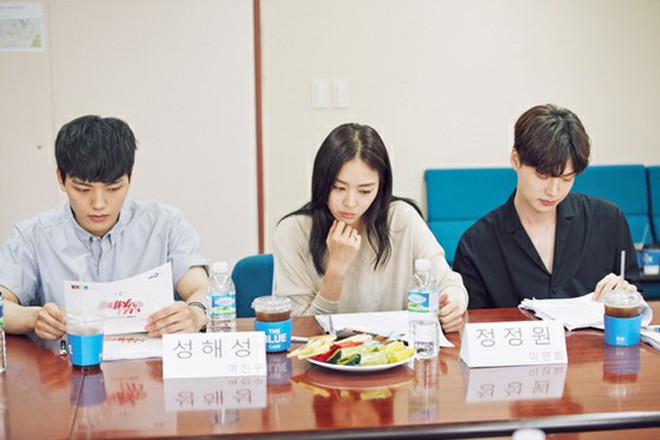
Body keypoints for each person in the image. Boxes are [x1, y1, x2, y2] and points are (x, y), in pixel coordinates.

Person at [0, 115, 209, 341]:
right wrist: (33, 318)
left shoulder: (165, 225)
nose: (99, 204)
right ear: (61, 178)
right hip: (63, 362)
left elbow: (203, 289)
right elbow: (3, 303)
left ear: (129, 177)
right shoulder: (32, 236)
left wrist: (195, 313)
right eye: (83, 190)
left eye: (113, 188)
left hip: (152, 361)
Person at [272, 123, 468, 332]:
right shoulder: (292, 232)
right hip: (325, 351)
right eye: (338, 188)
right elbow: (300, 328)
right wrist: (335, 271)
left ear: (381, 186)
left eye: (365, 191)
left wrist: (452, 305)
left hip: (396, 349)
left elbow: (450, 283)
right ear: (321, 182)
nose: (350, 202)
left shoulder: (401, 218)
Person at [453, 104, 640, 309]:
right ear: (516, 160)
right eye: (542, 175)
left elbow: (635, 296)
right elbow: (473, 323)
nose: (554, 191)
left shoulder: (607, 220)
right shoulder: (476, 244)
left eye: (567, 178)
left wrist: (627, 294)